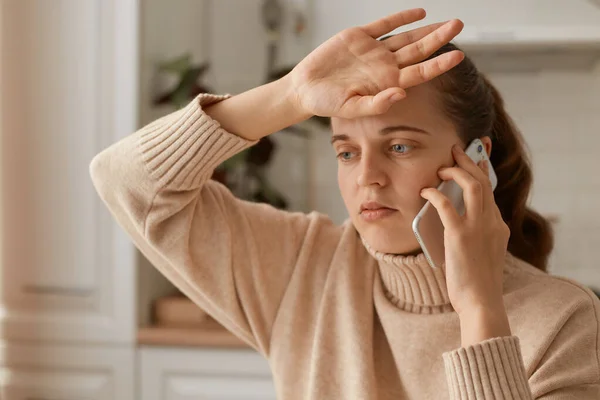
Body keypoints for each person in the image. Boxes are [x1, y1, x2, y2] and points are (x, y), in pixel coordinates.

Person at [90, 8, 600, 399]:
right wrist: (292, 94)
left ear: (474, 159)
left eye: (399, 146)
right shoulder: (302, 268)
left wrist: (479, 309)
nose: (367, 178)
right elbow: (124, 180)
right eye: (347, 152)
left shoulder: (563, 321)